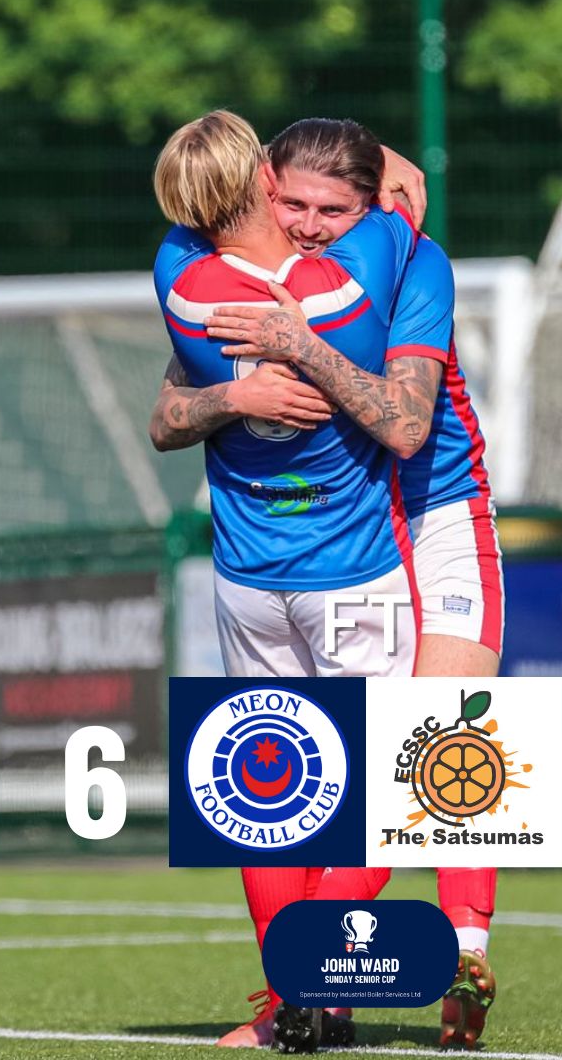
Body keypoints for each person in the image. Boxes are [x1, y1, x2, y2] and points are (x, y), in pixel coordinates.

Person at [194, 118, 501, 1051]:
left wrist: (299, 342)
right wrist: (223, 396)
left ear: (373, 209)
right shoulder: (231, 272)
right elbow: (174, 397)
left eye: (339, 208)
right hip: (346, 534)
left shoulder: (412, 265)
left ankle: (460, 963)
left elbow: (408, 429)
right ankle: (314, 996)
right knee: (292, 781)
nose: (315, 224)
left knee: (445, 744)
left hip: (437, 515)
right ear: (262, 191)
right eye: (294, 203)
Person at [151, 111, 420, 678]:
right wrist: (380, 157)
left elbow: (194, 204)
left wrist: (233, 396)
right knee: (385, 760)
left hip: (247, 580)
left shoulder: (176, 281)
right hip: (353, 571)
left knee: (280, 759)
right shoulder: (349, 282)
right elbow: (394, 207)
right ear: (267, 178)